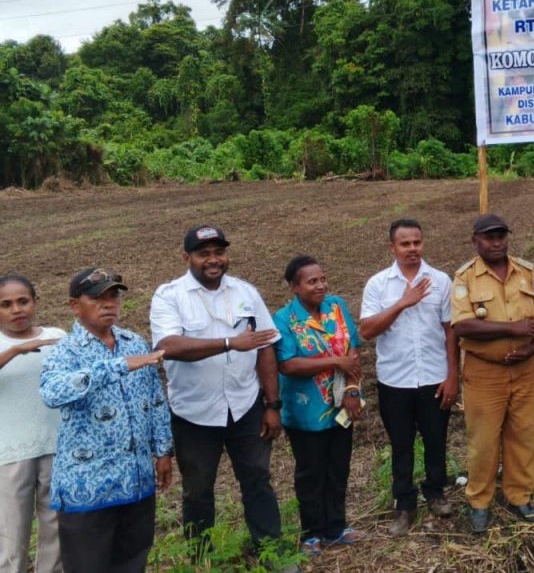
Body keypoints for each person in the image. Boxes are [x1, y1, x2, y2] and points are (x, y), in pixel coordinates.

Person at [149, 225, 285, 549]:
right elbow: (168, 346)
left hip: (245, 406)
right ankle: (202, 558)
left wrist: (272, 405)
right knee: (197, 491)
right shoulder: (169, 296)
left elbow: (266, 346)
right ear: (187, 257)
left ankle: (270, 552)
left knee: (257, 480)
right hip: (194, 413)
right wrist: (229, 343)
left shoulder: (245, 292)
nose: (213, 260)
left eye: (219, 252)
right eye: (204, 254)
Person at [40, 268, 172, 573]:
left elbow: (155, 399)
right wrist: (115, 367)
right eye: (97, 298)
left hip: (136, 481)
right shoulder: (64, 351)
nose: (109, 304)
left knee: (132, 562)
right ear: (75, 305)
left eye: (113, 296)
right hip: (87, 487)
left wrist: (163, 451)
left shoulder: (134, 343)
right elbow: (51, 392)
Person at [451, 213, 534, 533]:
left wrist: (532, 347)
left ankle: (519, 496)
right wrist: (512, 328)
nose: (496, 243)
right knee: (483, 441)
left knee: (524, 435)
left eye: (501, 236)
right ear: (475, 241)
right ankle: (479, 502)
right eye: (489, 237)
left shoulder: (526, 271)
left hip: (525, 371)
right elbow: (462, 325)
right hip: (485, 373)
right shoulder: (465, 277)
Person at [359, 219, 458, 536]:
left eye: (417, 242)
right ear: (393, 247)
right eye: (405, 244)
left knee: (435, 441)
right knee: (401, 445)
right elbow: (367, 330)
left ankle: (436, 492)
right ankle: (404, 504)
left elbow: (450, 331)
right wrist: (403, 302)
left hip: (434, 377)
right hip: (394, 380)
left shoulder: (440, 281)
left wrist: (453, 375)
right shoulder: (378, 284)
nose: (412, 248)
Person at [273, 255, 364, 556]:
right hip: (305, 412)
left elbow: (353, 347)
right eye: (312, 281)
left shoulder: (336, 306)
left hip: (341, 406)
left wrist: (352, 389)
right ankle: (312, 532)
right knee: (311, 472)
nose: (321, 285)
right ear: (294, 287)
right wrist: (335, 361)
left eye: (323, 279)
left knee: (339, 467)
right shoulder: (284, 319)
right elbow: (288, 364)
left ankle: (336, 527)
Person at [0, 274, 65, 573]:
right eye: (6, 304)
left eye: (23, 301)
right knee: (11, 534)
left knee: (56, 530)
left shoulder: (56, 337)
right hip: (10, 454)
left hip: (57, 446)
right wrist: (15, 351)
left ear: (35, 302)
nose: (16, 310)